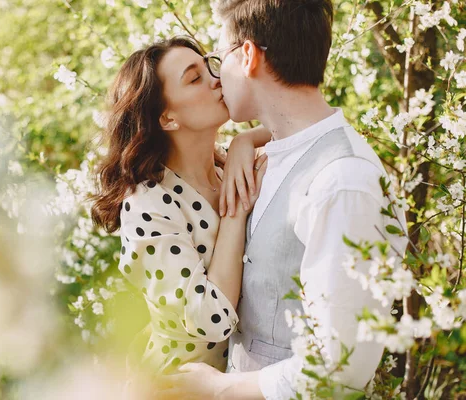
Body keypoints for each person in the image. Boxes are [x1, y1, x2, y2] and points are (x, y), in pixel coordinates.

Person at [159, 0, 409, 399]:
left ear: (247, 56)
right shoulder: (272, 153)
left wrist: (219, 389)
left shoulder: (342, 181)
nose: (216, 76)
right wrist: (245, 139)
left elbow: (342, 366)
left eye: (218, 57)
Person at [90, 37, 271, 393]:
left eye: (209, 67)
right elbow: (212, 319)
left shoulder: (226, 166)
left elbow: (299, 120)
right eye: (194, 78)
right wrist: (236, 209)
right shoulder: (148, 204)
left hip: (239, 380)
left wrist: (243, 141)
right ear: (168, 118)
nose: (216, 79)